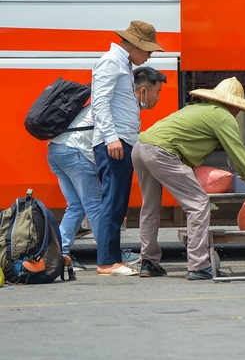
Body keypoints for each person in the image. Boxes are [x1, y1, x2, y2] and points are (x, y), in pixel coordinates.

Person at [133, 77, 245, 280]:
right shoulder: (223, 116)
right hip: (161, 152)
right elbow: (241, 158)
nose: (237, 113)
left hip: (141, 147)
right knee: (199, 204)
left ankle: (148, 262)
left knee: (150, 207)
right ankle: (199, 265)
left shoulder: (196, 109)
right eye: (237, 109)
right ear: (232, 105)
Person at [48, 66, 166, 273]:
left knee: (76, 206)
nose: (159, 98)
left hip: (57, 150)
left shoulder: (117, 100)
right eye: (158, 92)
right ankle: (110, 256)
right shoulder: (124, 105)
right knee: (97, 207)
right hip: (75, 152)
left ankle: (59, 253)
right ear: (144, 91)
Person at [92, 21, 164, 276]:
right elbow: (99, 101)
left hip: (123, 139)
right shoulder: (111, 61)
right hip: (115, 141)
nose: (149, 56)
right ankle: (106, 262)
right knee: (113, 201)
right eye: (148, 50)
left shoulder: (122, 63)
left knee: (117, 202)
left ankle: (112, 259)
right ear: (135, 45)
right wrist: (111, 137)